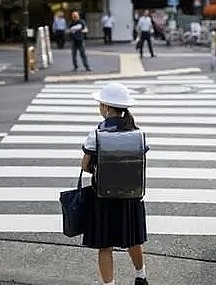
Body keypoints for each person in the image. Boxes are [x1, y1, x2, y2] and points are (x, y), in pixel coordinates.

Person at [80, 83, 149, 285]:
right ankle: (140, 276)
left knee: (105, 245)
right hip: (130, 196)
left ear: (107, 108)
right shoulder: (138, 134)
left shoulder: (96, 135)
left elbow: (85, 166)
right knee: (133, 239)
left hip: (103, 197)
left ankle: (109, 284)